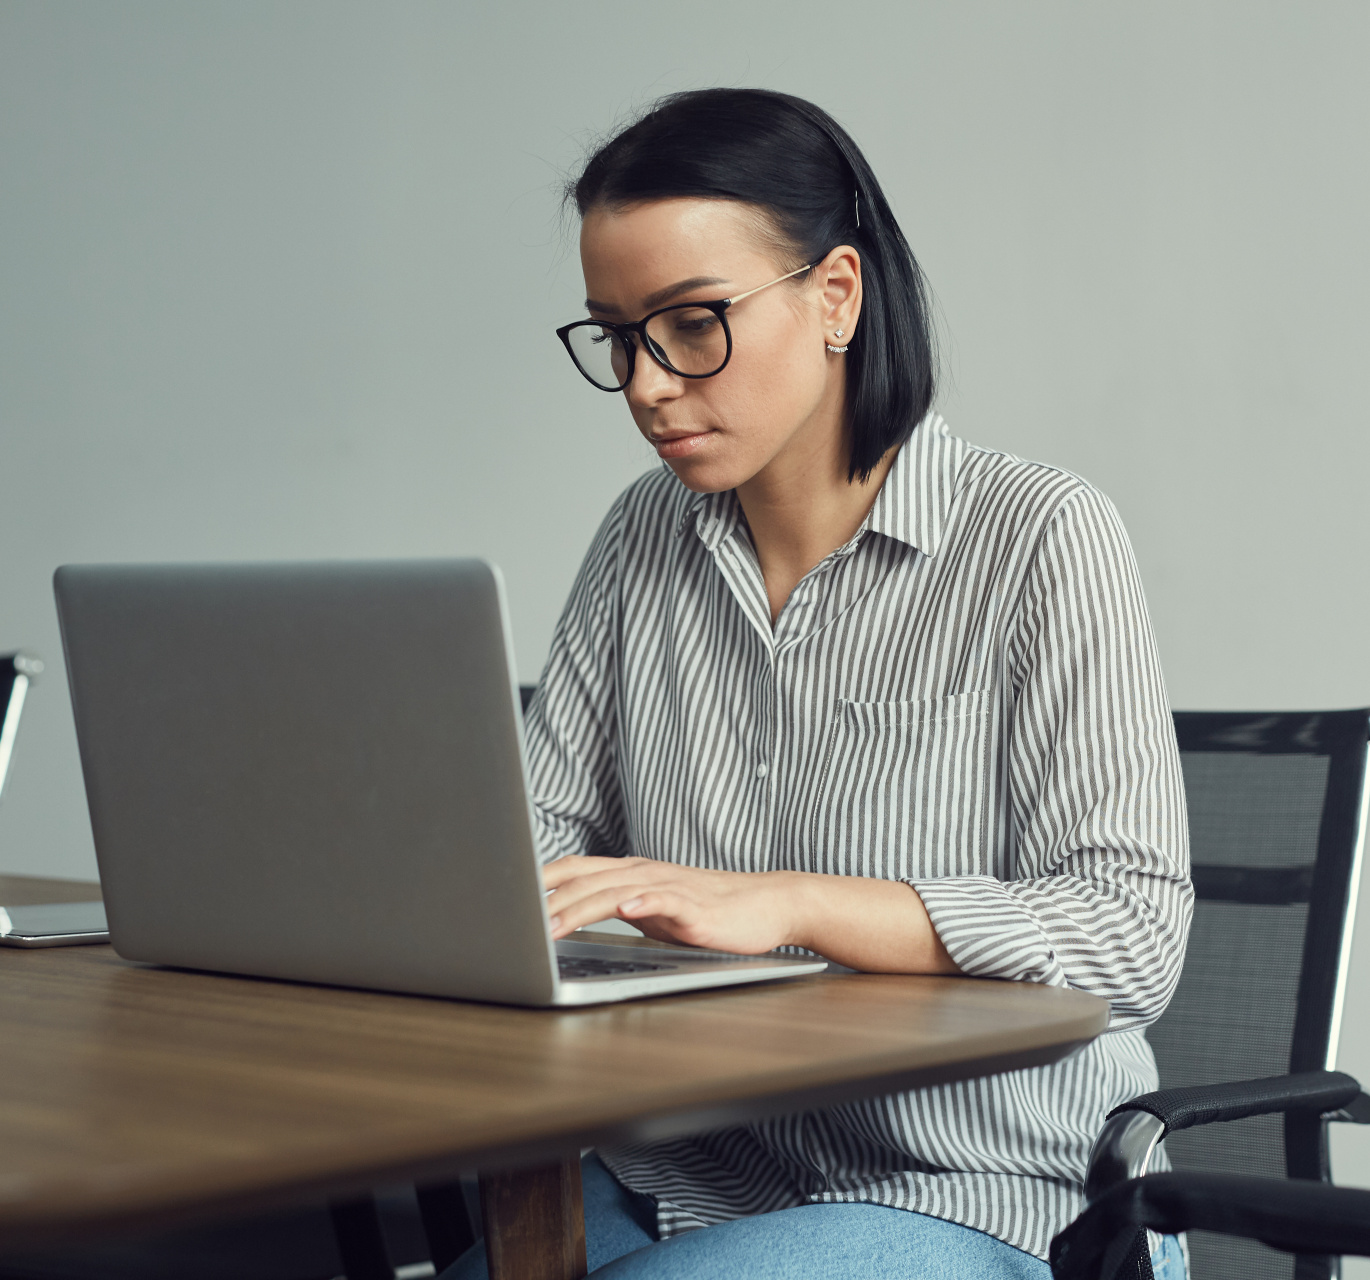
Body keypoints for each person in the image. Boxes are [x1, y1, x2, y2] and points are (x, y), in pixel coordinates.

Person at [446, 88, 1192, 1280]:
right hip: (691, 1160)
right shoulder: (644, 536)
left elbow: (1131, 933)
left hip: (980, 1187)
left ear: (836, 293)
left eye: (691, 323)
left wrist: (792, 903)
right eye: (616, 334)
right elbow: (536, 847)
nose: (646, 383)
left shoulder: (1039, 533)